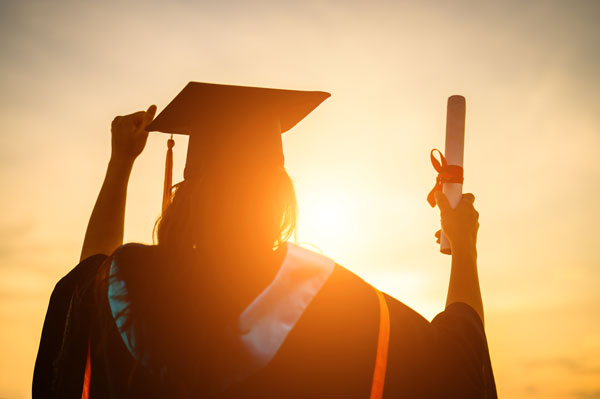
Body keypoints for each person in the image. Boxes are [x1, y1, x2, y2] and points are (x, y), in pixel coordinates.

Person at [33, 83, 496, 398]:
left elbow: (86, 276)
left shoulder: (122, 287)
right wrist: (464, 245)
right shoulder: (337, 307)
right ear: (279, 196)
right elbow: (457, 366)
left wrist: (121, 163)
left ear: (186, 194)